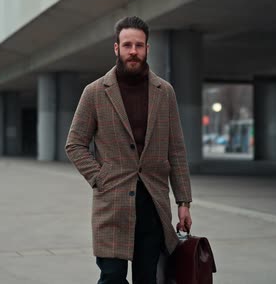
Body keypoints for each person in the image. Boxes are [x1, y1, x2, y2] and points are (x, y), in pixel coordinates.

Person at [66, 16, 193, 284]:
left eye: (139, 45)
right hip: (112, 204)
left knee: (147, 278)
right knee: (111, 277)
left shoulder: (164, 92)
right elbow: (75, 144)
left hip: (153, 205)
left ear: (147, 48)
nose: (133, 51)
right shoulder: (95, 92)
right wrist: (100, 178)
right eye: (127, 45)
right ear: (116, 48)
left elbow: (176, 150)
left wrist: (183, 202)